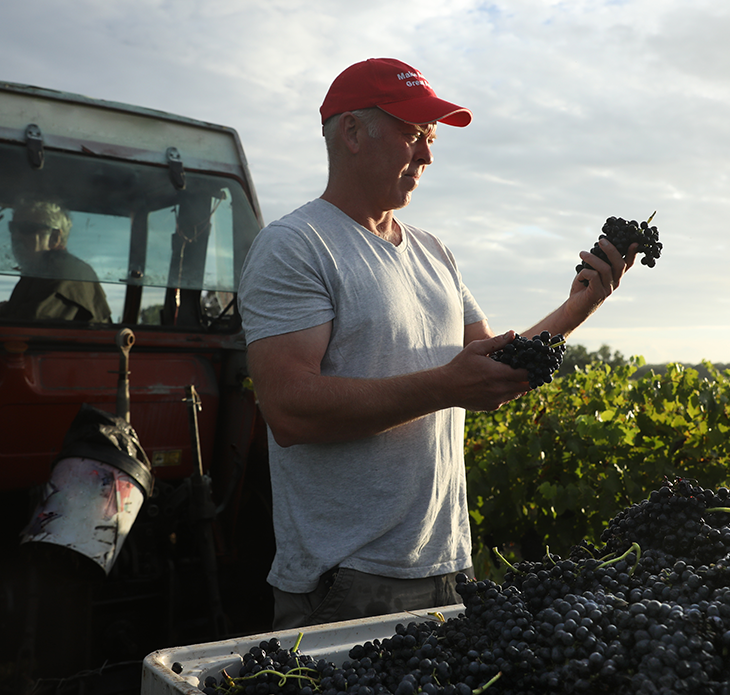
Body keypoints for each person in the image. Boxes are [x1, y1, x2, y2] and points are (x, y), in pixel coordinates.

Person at [238, 57, 635, 630]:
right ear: (352, 132)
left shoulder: (434, 252)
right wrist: (447, 385)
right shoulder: (296, 246)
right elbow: (289, 410)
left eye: (429, 137)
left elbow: (492, 362)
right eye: (413, 134)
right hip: (347, 580)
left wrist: (580, 306)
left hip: (446, 566)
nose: (427, 154)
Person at [0, 200, 112, 322]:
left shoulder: (64, 271)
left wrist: (2, 312)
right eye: (13, 228)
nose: (15, 236)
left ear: (54, 238)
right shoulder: (38, 270)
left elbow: (31, 325)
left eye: (26, 228)